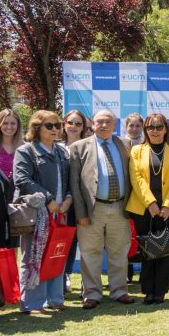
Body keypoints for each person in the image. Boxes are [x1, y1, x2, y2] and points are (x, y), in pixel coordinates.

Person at [69, 109, 135, 309]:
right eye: (100, 121)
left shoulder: (126, 144)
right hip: (92, 209)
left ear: (115, 124)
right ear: (92, 124)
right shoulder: (78, 147)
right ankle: (92, 293)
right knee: (90, 252)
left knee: (119, 252)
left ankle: (119, 290)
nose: (104, 125)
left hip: (119, 207)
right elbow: (74, 184)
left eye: (108, 121)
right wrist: (81, 213)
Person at [13, 110, 73, 313]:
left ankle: (55, 299)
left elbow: (70, 181)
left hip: (60, 212)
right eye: (49, 126)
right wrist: (48, 200)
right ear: (37, 128)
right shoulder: (26, 151)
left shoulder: (63, 151)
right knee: (33, 256)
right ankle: (33, 302)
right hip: (36, 213)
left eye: (57, 125)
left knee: (57, 254)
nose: (55, 129)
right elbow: (22, 180)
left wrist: (67, 199)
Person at [126, 113, 169, 305]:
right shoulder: (136, 150)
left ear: (166, 129)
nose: (155, 131)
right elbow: (136, 178)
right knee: (147, 250)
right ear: (145, 130)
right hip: (143, 208)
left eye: (159, 127)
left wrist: (166, 205)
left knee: (165, 251)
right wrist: (150, 203)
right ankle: (148, 291)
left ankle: (160, 291)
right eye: (151, 127)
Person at [60, 109, 90, 292]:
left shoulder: (89, 146)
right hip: (61, 204)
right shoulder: (56, 147)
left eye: (78, 123)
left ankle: (69, 275)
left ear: (83, 127)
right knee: (62, 241)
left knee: (77, 242)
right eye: (70, 122)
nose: (74, 126)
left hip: (83, 203)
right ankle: (60, 277)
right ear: (64, 124)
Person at [0, 109, 23, 182]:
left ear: (18, 125)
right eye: (5, 123)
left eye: (13, 123)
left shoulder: (25, 148)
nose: (9, 127)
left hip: (19, 192)